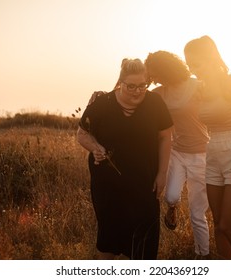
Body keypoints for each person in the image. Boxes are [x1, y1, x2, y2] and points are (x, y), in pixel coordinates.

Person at [76, 58, 173, 260]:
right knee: (109, 239)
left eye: (142, 86)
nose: (137, 91)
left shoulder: (155, 103)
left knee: (144, 240)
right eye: (131, 86)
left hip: (145, 182)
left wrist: (162, 173)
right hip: (108, 186)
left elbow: (165, 137)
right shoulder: (102, 103)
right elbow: (82, 134)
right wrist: (96, 147)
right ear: (120, 83)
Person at [183, 35, 231, 259]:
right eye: (189, 65)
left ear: (210, 58)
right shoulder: (200, 88)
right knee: (217, 224)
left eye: (196, 64)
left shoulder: (230, 83)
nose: (192, 70)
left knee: (228, 225)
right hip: (212, 155)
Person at [144, 51, 210, 258]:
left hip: (202, 154)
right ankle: (172, 208)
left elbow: (221, 97)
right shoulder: (158, 93)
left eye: (155, 74)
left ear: (166, 69)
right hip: (177, 153)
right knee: (171, 196)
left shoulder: (197, 85)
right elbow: (130, 92)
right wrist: (102, 94)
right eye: (151, 76)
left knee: (197, 213)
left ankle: (203, 255)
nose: (154, 79)